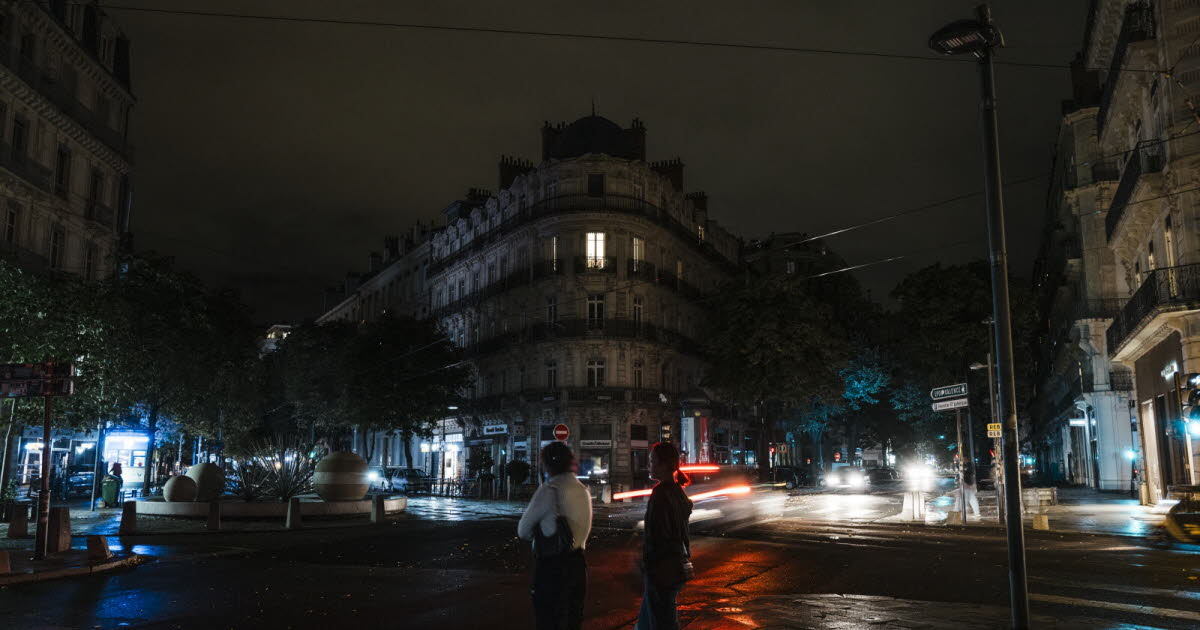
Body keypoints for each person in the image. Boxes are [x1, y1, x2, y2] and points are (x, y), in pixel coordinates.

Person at [518, 442, 593, 630]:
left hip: (552, 568)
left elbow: (523, 530)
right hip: (578, 566)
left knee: (549, 621)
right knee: (573, 621)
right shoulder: (583, 490)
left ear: (547, 464)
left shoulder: (549, 490)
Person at [638, 442, 694, 630]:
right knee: (650, 620)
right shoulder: (678, 492)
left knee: (662, 621)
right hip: (675, 566)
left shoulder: (660, 494)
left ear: (663, 465)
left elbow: (659, 535)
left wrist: (648, 565)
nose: (650, 466)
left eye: (653, 461)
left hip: (661, 569)